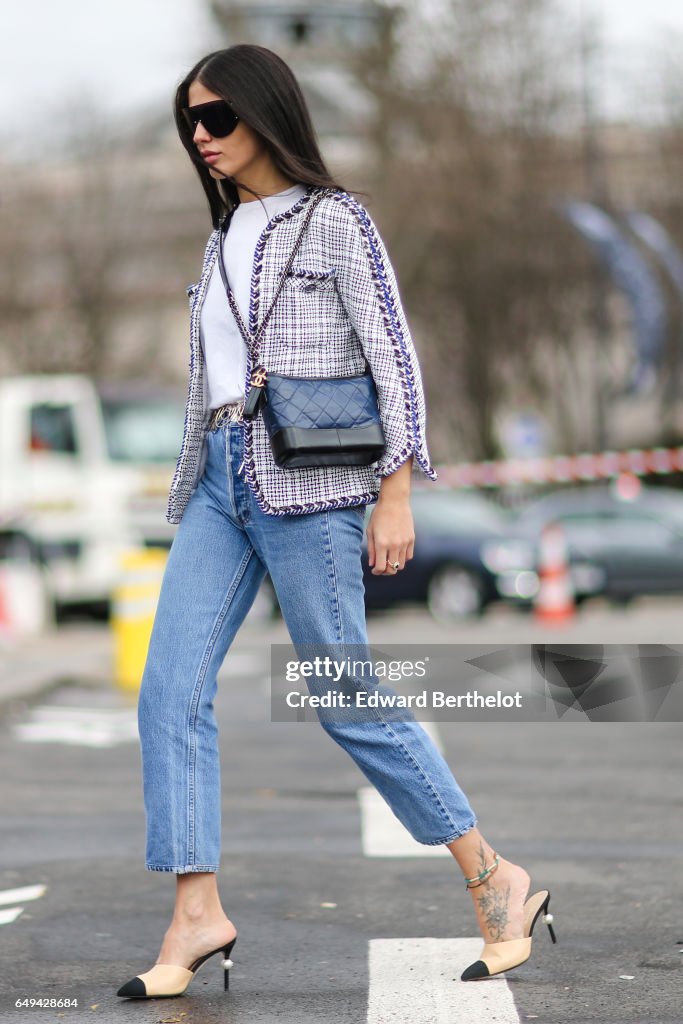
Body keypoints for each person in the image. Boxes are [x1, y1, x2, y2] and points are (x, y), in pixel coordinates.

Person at [116, 44, 554, 1001]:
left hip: (315, 488)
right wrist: (190, 487)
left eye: (219, 118)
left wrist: (395, 491)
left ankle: (494, 878)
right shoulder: (220, 237)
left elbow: (393, 356)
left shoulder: (338, 221)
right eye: (189, 121)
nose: (201, 136)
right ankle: (197, 908)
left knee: (340, 693)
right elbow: (212, 384)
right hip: (221, 487)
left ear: (267, 114)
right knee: (168, 689)